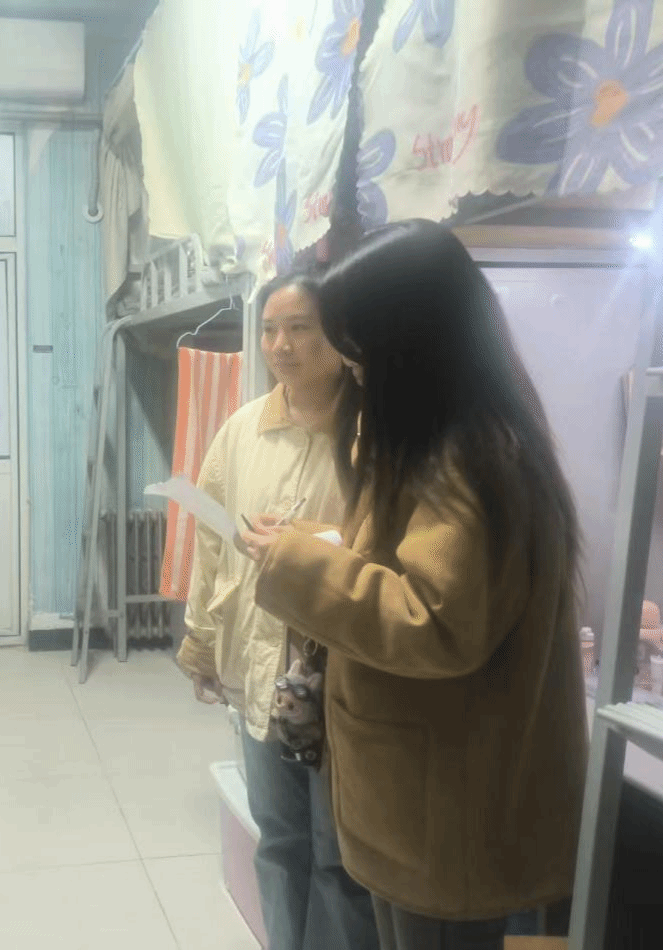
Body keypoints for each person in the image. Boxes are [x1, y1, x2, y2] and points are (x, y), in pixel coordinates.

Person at [243, 220, 588, 950]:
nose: (356, 374)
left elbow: (434, 619)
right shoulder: (447, 439)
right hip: (424, 805)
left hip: (445, 816)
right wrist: (312, 544)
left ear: (414, 348)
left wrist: (301, 566)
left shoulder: (469, 457)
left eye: (363, 355)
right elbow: (408, 565)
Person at [176, 269, 379, 950]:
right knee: (281, 840)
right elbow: (212, 542)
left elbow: (388, 553)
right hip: (259, 665)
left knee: (339, 859)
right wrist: (201, 641)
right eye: (269, 330)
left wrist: (310, 545)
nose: (281, 345)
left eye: (300, 328)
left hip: (337, 679)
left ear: (337, 337)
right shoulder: (242, 431)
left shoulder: (372, 433)